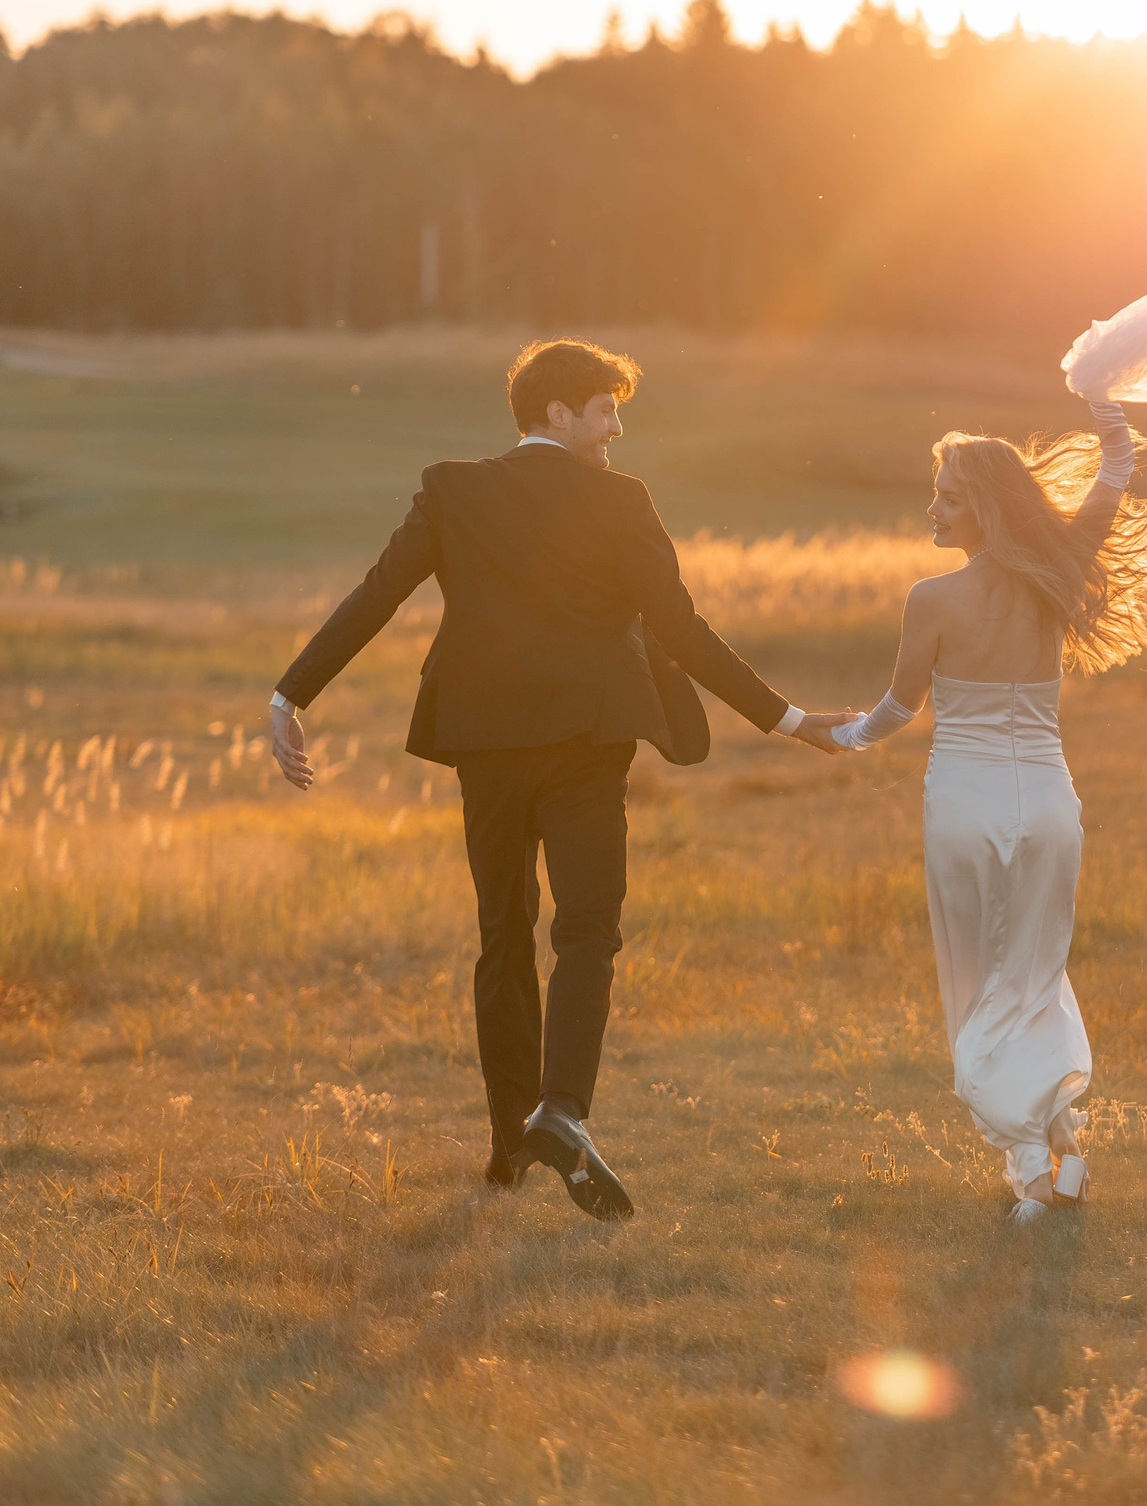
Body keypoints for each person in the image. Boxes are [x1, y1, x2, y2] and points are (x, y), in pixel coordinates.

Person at [266, 339, 856, 1220]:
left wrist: (290, 692)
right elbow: (683, 630)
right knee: (587, 929)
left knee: (503, 931)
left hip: (484, 741)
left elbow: (378, 592)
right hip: (586, 743)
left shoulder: (452, 489)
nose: (616, 427)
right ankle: (562, 1112)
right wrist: (788, 718)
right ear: (556, 413)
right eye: (605, 410)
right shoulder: (623, 501)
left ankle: (511, 1145)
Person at [831, 398, 1147, 1223]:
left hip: (965, 804)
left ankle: (1032, 1163)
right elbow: (1116, 471)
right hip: (1051, 805)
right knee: (1031, 974)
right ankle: (1055, 1142)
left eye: (948, 495)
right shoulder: (1055, 571)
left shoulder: (932, 598)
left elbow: (895, 709)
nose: (933, 507)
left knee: (977, 981)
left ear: (984, 507)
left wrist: (838, 736)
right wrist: (1106, 405)